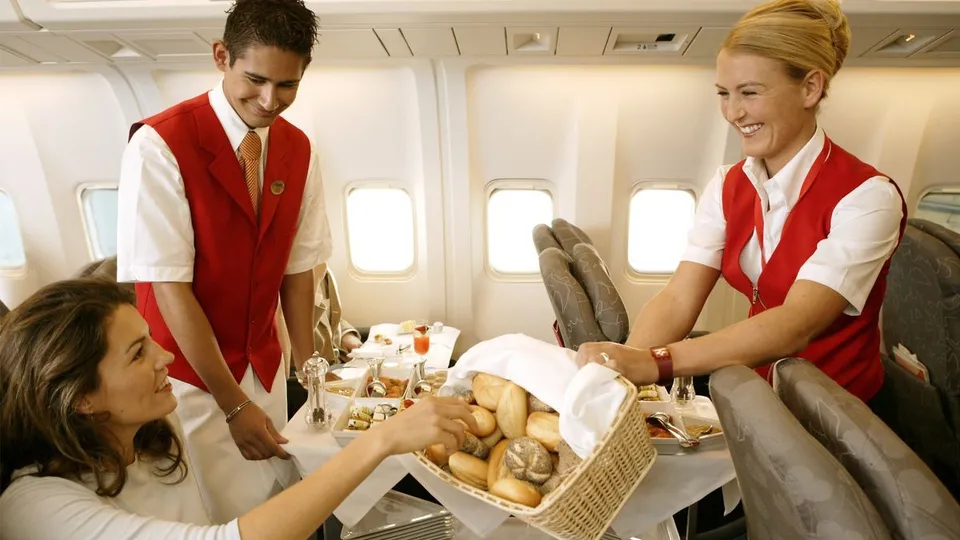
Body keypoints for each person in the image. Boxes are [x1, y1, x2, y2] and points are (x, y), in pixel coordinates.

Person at [577, 0, 907, 416]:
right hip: (761, 398)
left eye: (750, 92)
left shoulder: (867, 197)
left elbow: (796, 323)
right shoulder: (728, 184)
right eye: (724, 93)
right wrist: (619, 371)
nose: (733, 113)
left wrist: (655, 362)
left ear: (810, 88)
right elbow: (679, 297)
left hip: (839, 416)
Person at [0, 278, 477, 540]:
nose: (166, 357)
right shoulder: (36, 509)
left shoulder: (152, 436)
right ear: (80, 398)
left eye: (151, 340)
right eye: (138, 353)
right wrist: (381, 440)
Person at [115, 0, 332, 523]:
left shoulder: (298, 149)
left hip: (265, 366)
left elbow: (297, 269)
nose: (270, 100)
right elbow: (169, 288)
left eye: (287, 85)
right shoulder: (160, 145)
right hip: (190, 380)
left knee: (277, 501)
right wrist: (233, 404)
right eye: (255, 80)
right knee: (217, 517)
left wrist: (313, 378)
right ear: (221, 57)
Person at [314, 265, 364, 365]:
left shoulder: (325, 270)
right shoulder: (292, 277)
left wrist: (346, 334)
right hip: (315, 366)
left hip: (336, 361)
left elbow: (329, 319)